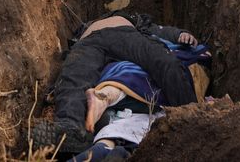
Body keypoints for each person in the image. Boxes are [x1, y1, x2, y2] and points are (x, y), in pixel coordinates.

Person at [31, 11, 199, 153]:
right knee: (74, 77)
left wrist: (180, 34)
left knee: (165, 62)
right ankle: (72, 131)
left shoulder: (132, 19)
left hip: (124, 35)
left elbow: (162, 31)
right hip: (89, 42)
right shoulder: (85, 28)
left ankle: (192, 117)